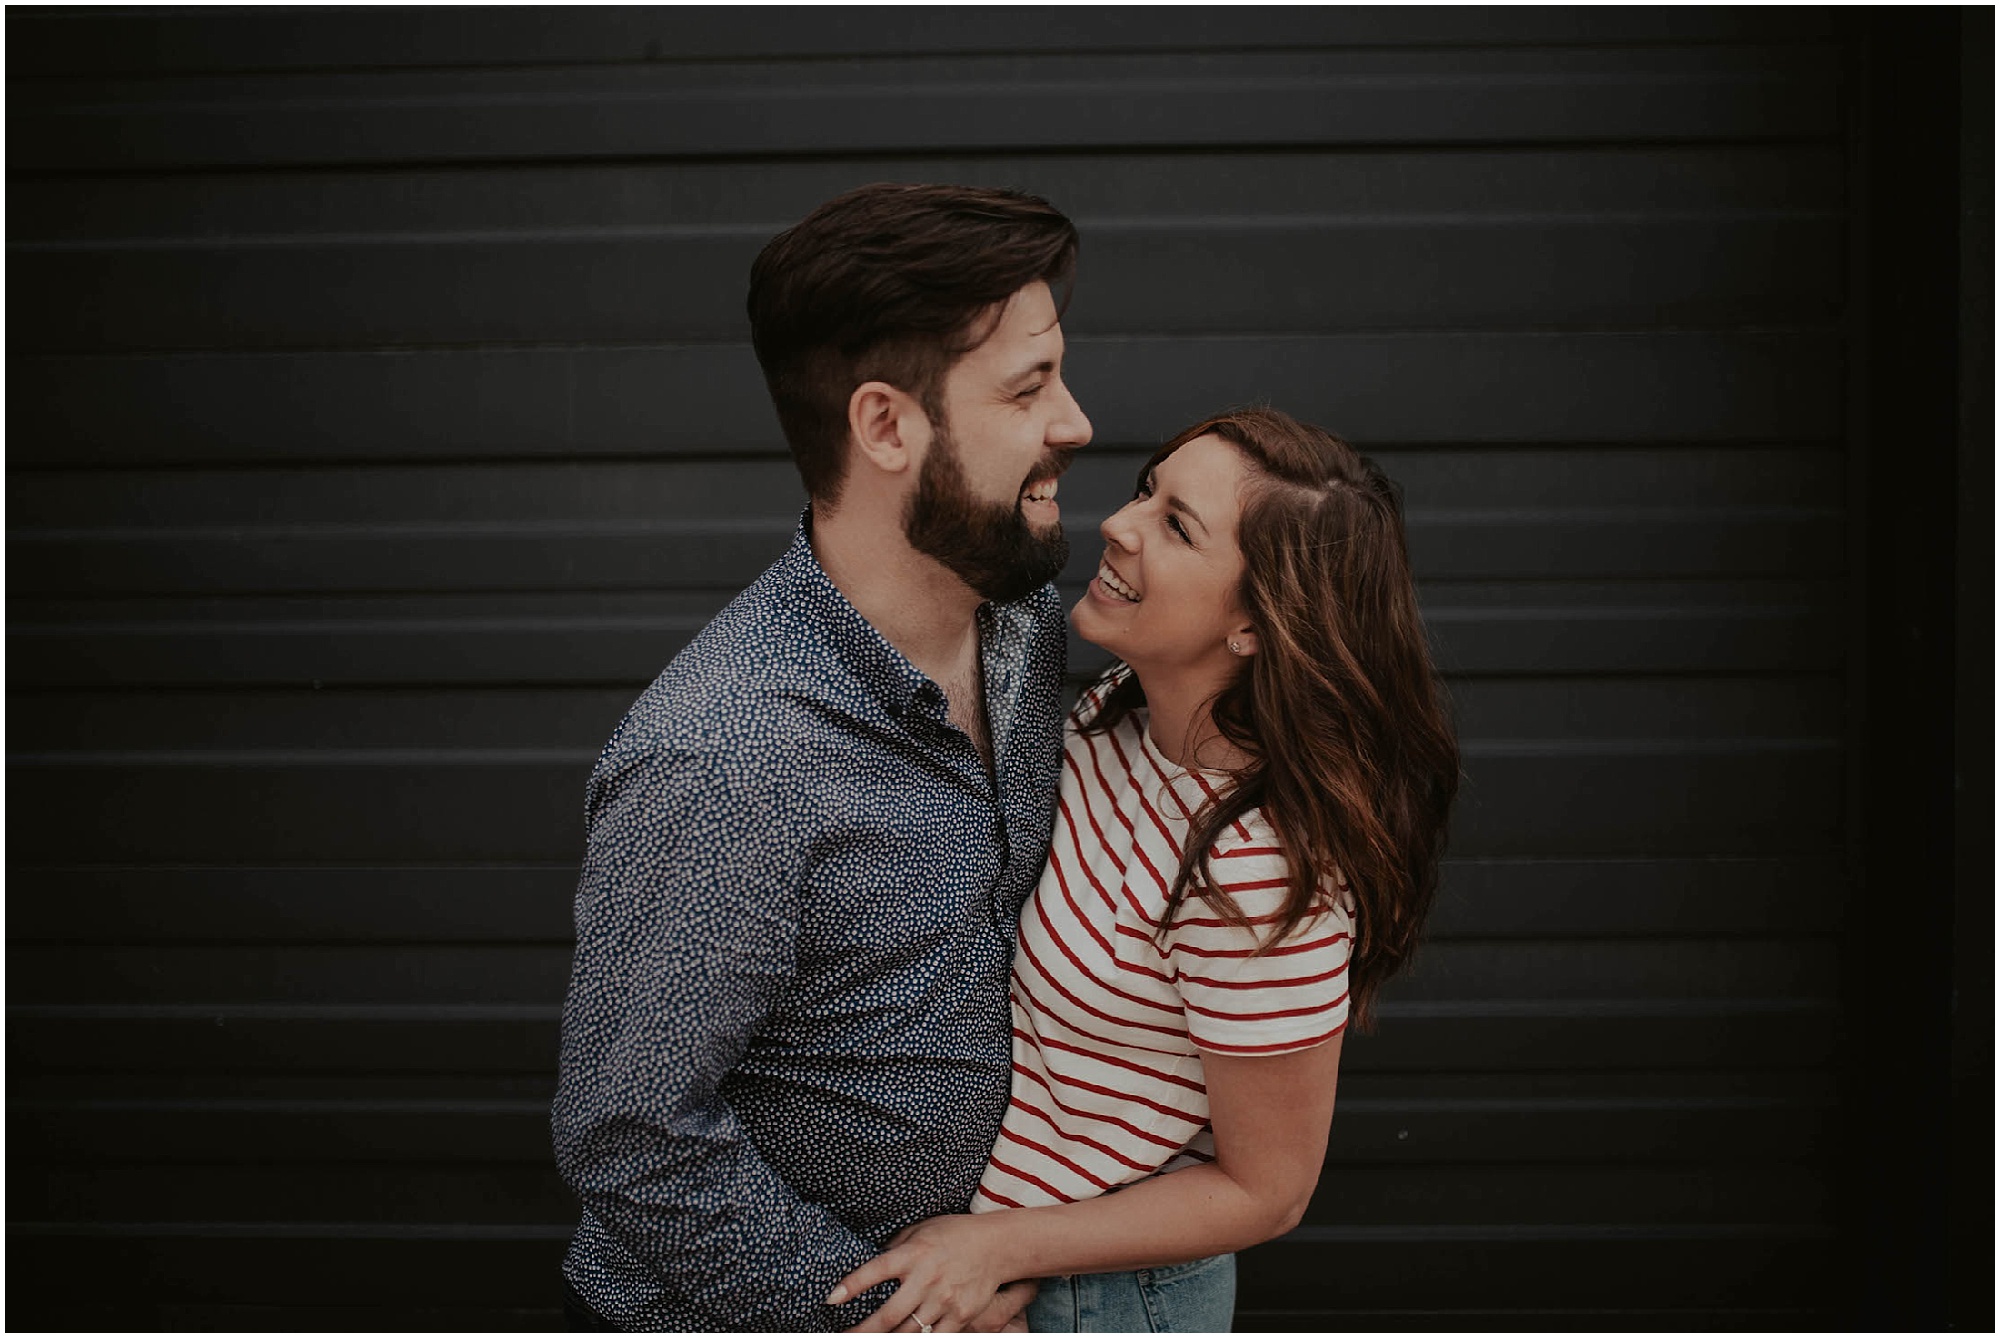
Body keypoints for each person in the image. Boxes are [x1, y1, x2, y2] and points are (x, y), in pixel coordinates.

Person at [551, 183, 1092, 1331]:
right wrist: (896, 1320)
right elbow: (629, 1129)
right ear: (886, 426)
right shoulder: (724, 755)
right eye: (1028, 387)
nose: (1075, 423)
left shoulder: (1028, 625)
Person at [827, 407, 1461, 1332]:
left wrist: (994, 1245)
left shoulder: (1257, 870)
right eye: (1144, 492)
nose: (1119, 525)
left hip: (1104, 1298)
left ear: (1254, 624)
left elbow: (1269, 1191)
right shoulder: (1118, 714)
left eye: (1177, 526)